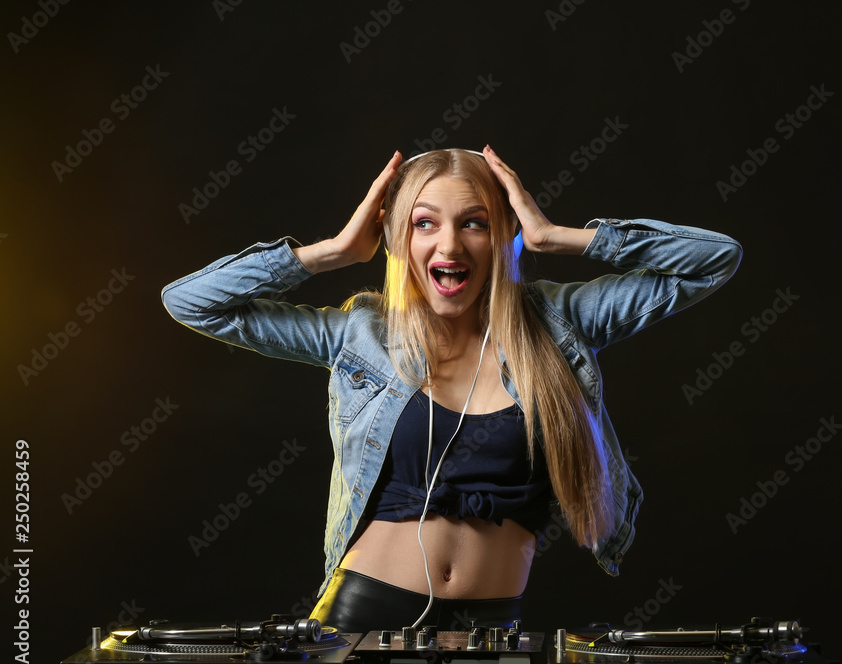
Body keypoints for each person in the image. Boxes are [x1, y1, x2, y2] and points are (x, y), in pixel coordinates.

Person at [161, 145, 742, 633]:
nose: (450, 246)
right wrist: (333, 251)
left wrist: (556, 236)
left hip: (492, 626)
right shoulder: (360, 336)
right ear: (398, 240)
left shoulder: (562, 323)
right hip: (366, 616)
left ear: (503, 233)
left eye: (475, 222)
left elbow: (715, 260)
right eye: (424, 222)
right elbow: (190, 302)